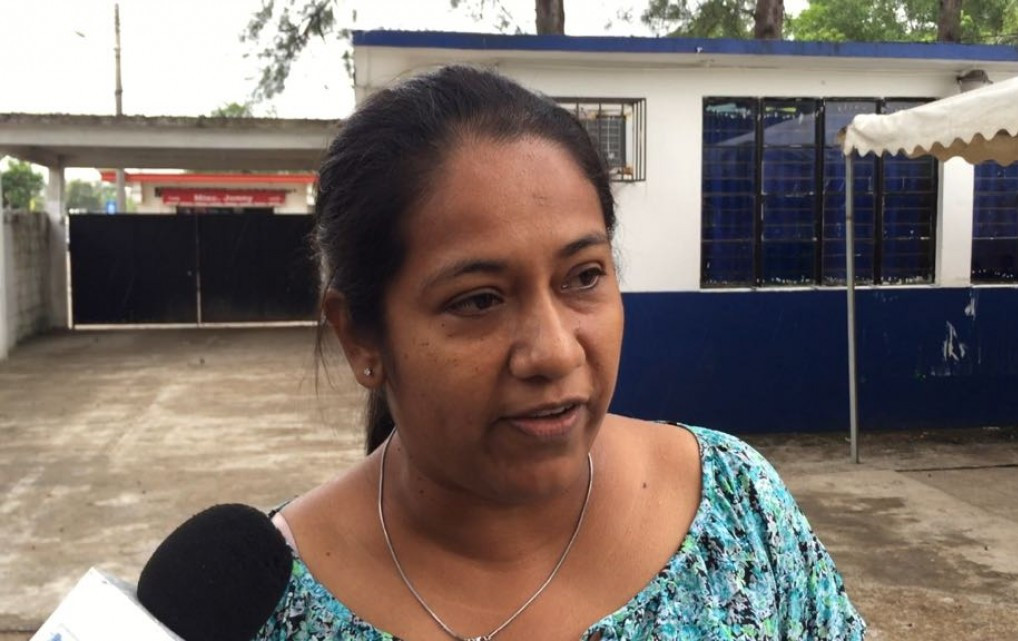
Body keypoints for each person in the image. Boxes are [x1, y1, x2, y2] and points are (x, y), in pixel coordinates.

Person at [153, 66, 866, 641]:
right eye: (479, 300)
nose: (554, 352)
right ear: (361, 337)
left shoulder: (737, 512)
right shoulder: (256, 603)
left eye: (584, 276)